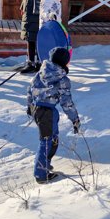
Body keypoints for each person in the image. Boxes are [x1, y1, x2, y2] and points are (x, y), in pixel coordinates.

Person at [26, 47, 81, 184]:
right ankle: (41, 174)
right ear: (64, 62)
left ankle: (45, 162)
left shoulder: (41, 71)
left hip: (38, 109)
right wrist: (75, 119)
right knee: (46, 141)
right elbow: (66, 102)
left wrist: (29, 106)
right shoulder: (62, 79)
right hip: (47, 112)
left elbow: (30, 88)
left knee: (53, 137)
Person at [19, 0, 50, 74]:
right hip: (28, 9)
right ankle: (30, 62)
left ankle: (40, 62)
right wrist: (23, 6)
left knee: (39, 37)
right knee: (29, 36)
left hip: (39, 10)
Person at [37, 0, 71, 64]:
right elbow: (44, 12)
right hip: (47, 29)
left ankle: (52, 63)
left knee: (54, 47)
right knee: (48, 47)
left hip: (54, 27)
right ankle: (45, 63)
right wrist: (50, 15)